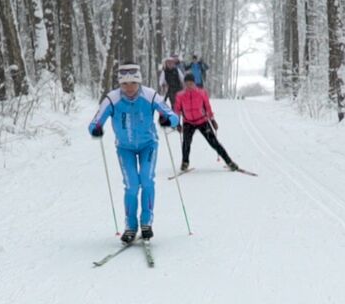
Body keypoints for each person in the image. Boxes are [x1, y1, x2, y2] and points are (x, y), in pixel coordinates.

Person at [89, 63, 179, 244]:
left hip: (148, 145)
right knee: (131, 185)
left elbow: (174, 116)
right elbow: (94, 122)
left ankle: (146, 222)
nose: (129, 88)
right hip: (125, 148)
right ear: (120, 84)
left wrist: (166, 118)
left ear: (139, 82)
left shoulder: (150, 95)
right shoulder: (111, 99)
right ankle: (130, 227)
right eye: (125, 84)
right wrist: (96, 129)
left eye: (133, 83)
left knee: (146, 180)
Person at [174, 73, 238, 172]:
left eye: (191, 83)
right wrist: (177, 123)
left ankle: (229, 162)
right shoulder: (180, 95)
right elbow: (177, 110)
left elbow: (207, 107)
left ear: (194, 83)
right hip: (188, 122)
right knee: (186, 143)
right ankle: (185, 162)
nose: (189, 86)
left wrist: (212, 120)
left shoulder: (202, 93)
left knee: (214, 143)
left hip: (202, 121)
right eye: (186, 84)